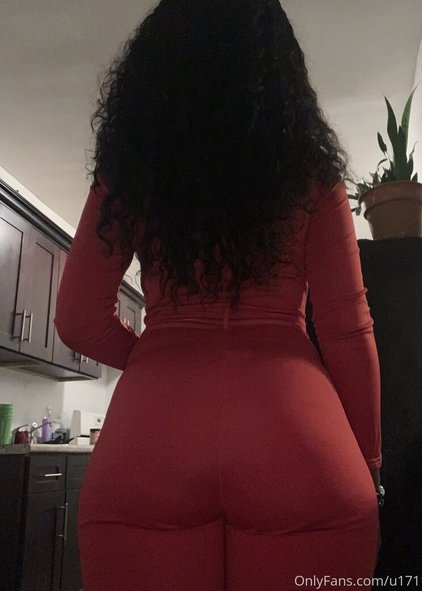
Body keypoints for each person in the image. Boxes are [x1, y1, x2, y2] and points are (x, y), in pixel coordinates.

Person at [54, 1, 382, 589]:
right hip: (298, 437)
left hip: (150, 438)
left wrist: (157, 356)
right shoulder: (311, 173)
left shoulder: (131, 172)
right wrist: (369, 462)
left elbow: (78, 318)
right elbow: (348, 332)